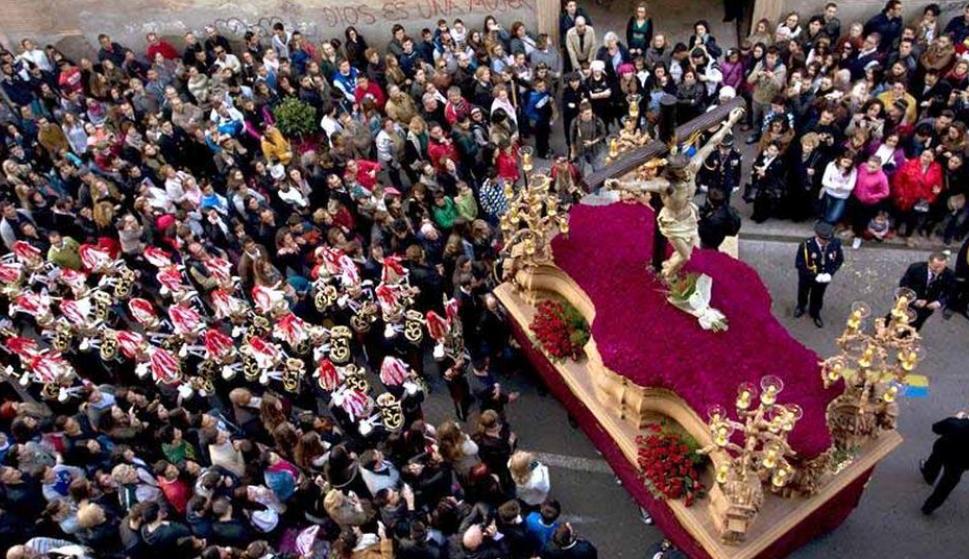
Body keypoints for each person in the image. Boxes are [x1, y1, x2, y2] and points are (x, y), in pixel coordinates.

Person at [794, 221, 844, 327]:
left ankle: (815, 313)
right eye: (824, 239)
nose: (826, 242)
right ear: (817, 235)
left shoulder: (835, 243)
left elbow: (839, 260)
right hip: (807, 278)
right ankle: (801, 307)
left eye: (828, 240)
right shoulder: (806, 246)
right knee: (803, 292)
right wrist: (814, 276)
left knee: (818, 296)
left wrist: (830, 273)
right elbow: (799, 264)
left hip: (823, 279)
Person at [919, 409, 969, 515]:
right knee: (947, 483)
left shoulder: (956, 424)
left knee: (935, 460)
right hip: (963, 462)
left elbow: (936, 428)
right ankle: (929, 507)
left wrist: (956, 418)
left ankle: (929, 475)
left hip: (945, 449)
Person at [899, 251, 955, 330]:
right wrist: (914, 301)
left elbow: (951, 292)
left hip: (927, 308)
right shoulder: (915, 268)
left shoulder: (950, 275)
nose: (937, 270)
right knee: (896, 321)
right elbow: (903, 286)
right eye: (935, 267)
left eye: (941, 267)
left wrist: (940, 302)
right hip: (908, 303)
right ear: (929, 262)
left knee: (916, 325)